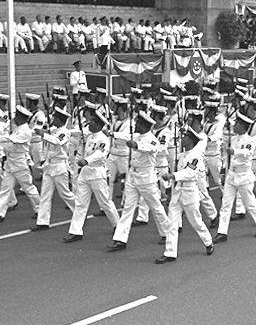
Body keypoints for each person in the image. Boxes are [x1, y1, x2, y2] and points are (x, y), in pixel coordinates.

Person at [106, 110, 177, 256]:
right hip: (133, 175)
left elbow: (149, 147)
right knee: (128, 208)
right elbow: (126, 137)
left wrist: (136, 145)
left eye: (138, 123)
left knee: (156, 207)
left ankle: (167, 233)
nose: (135, 124)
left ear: (144, 125)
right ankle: (120, 239)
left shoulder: (151, 138)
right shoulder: (136, 135)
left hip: (146, 178)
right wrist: (113, 134)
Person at [159, 127, 215, 264]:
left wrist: (173, 175)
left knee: (196, 221)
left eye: (184, 137)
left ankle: (208, 241)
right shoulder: (182, 155)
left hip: (190, 193)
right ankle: (170, 252)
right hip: (178, 192)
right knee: (172, 223)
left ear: (190, 140)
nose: (181, 139)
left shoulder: (195, 156)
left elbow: (190, 173)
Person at [63, 112, 120, 241]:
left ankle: (117, 225)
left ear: (99, 125)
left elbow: (100, 153)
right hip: (85, 173)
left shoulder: (103, 139)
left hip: (97, 173)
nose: (90, 123)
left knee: (105, 202)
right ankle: (76, 231)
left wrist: (87, 160)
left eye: (93, 122)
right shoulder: (88, 138)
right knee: (80, 203)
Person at [213, 111, 256, 243]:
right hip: (232, 174)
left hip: (244, 176)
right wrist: (224, 170)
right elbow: (228, 157)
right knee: (225, 205)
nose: (234, 126)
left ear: (243, 126)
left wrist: (234, 151)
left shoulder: (250, 141)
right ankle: (222, 232)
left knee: (250, 204)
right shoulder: (233, 139)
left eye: (237, 124)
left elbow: (246, 153)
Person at [0, 106, 40, 223]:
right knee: (5, 188)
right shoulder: (18, 128)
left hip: (20, 164)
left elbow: (10, 139)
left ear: (22, 118)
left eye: (17, 116)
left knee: (28, 188)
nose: (14, 118)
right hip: (11, 163)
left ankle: (40, 210)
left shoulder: (25, 131)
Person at [32, 106, 76, 230]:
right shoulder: (54, 130)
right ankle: (42, 222)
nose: (53, 119)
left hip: (59, 166)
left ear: (60, 120)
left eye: (55, 117)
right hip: (49, 166)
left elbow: (58, 142)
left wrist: (44, 135)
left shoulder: (64, 132)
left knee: (65, 194)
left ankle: (79, 212)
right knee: (45, 194)